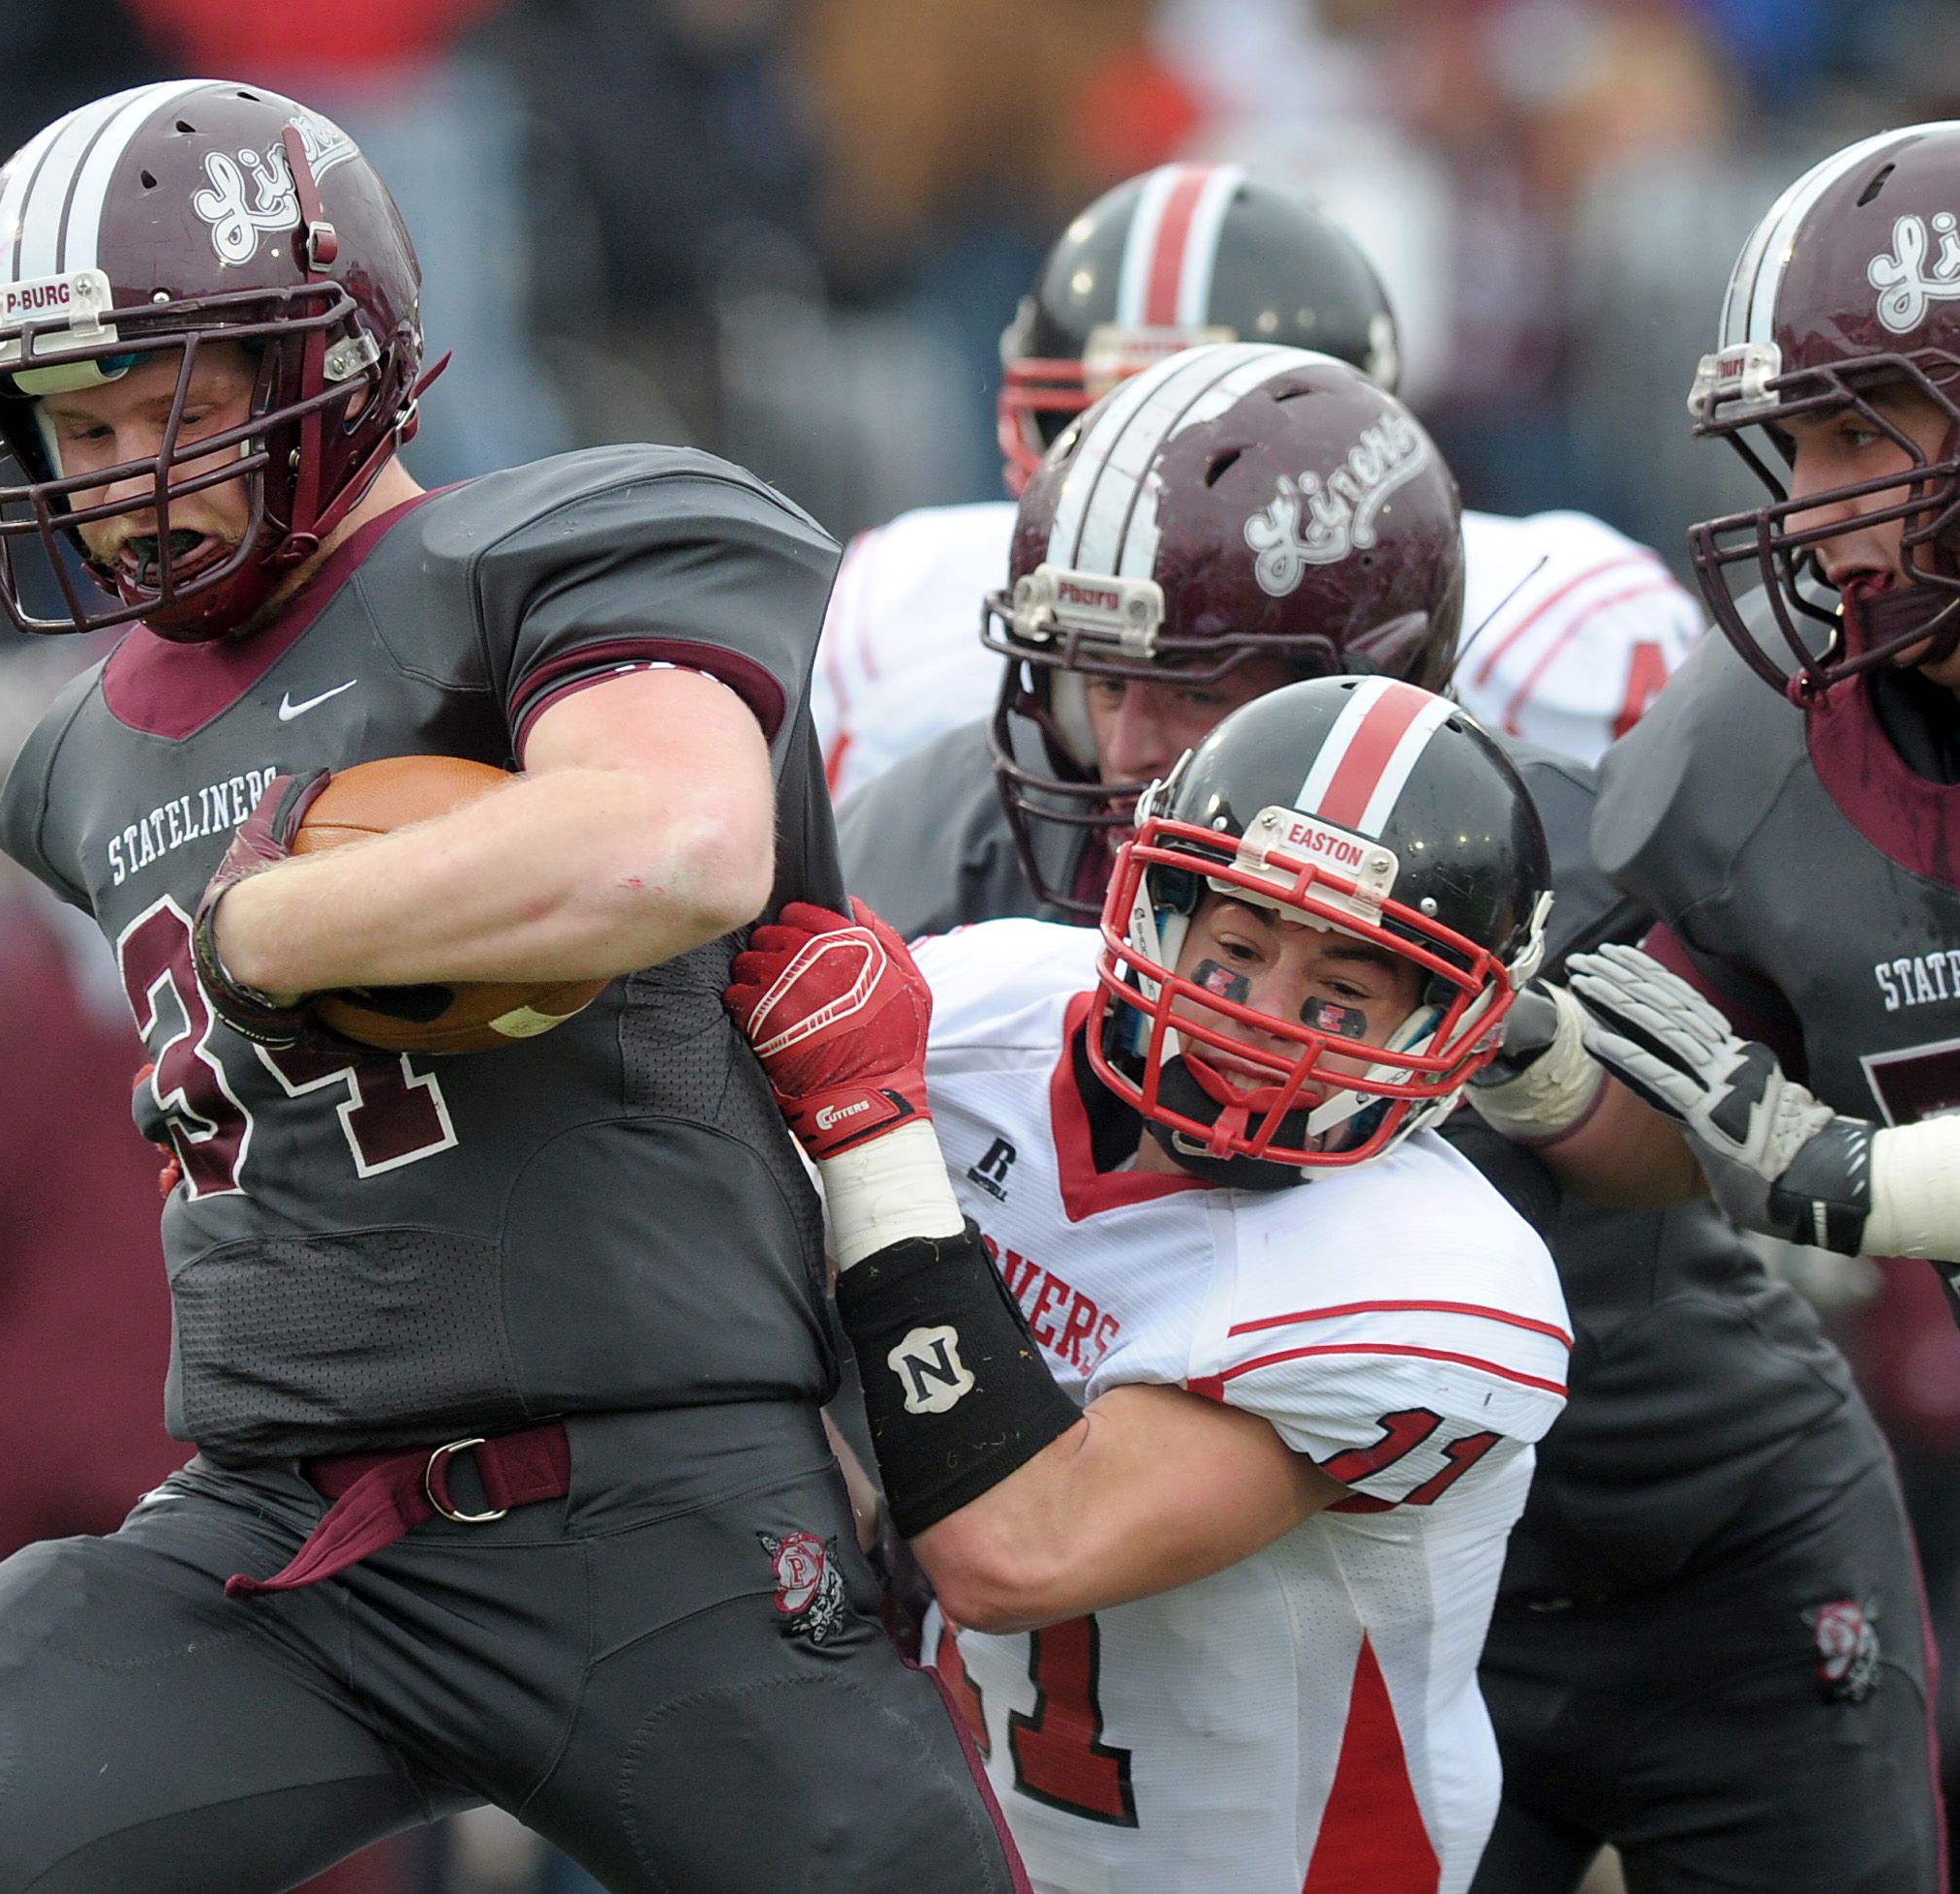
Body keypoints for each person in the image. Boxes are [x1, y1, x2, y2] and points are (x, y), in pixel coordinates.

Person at [0, 81, 1027, 1894]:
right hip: (280, 1535)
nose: (109, 477)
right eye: (70, 421)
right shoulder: (74, 761)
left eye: (162, 404)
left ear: (333, 356)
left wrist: (279, 929)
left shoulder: (559, 544)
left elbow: (670, 842)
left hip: (649, 1514)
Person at [842, 343, 1942, 1889]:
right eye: (1101, 679)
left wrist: (1564, 1076)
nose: (1133, 747)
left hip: (1672, 1544)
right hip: (1311, 1605)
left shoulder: (1538, 863)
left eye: (1190, 684)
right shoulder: (970, 877)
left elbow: (1729, 1154)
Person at [726, 670, 1570, 1891]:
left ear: (1443, 1027)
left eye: (1341, 990)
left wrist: (871, 1130)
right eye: (1235, 947)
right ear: (1159, 908)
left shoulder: (1442, 1283)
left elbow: (1016, 1551)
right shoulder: (985, 1014)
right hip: (958, 1836)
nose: (1260, 1017)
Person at [811, 162, 1701, 810]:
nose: (1148, 478)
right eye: (1099, 425)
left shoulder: (1557, 614)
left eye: (1221, 444)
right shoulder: (897, 594)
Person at [1577, 119, 1960, 1278]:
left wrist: (1860, 1183)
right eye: (1793, 447)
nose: (1803, 511)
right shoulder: (1763, 743)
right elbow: (1701, 1132)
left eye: (1855, 434)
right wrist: (1545, 1075)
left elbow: (1813, 1168)